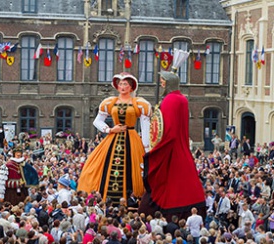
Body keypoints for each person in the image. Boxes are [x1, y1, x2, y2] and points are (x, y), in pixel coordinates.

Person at [139, 49, 206, 219]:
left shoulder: (171, 100)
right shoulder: (182, 99)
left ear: (169, 83)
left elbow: (166, 130)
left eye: (163, 81)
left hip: (171, 148)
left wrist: (155, 150)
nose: (161, 83)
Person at [77, 72, 151, 205]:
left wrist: (146, 147)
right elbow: (97, 121)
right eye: (121, 84)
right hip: (113, 137)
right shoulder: (110, 102)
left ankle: (132, 200)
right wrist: (110, 130)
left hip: (131, 137)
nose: (122, 87)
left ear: (131, 87)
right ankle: (104, 198)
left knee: (133, 167)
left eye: (125, 84)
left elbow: (145, 126)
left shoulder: (139, 103)